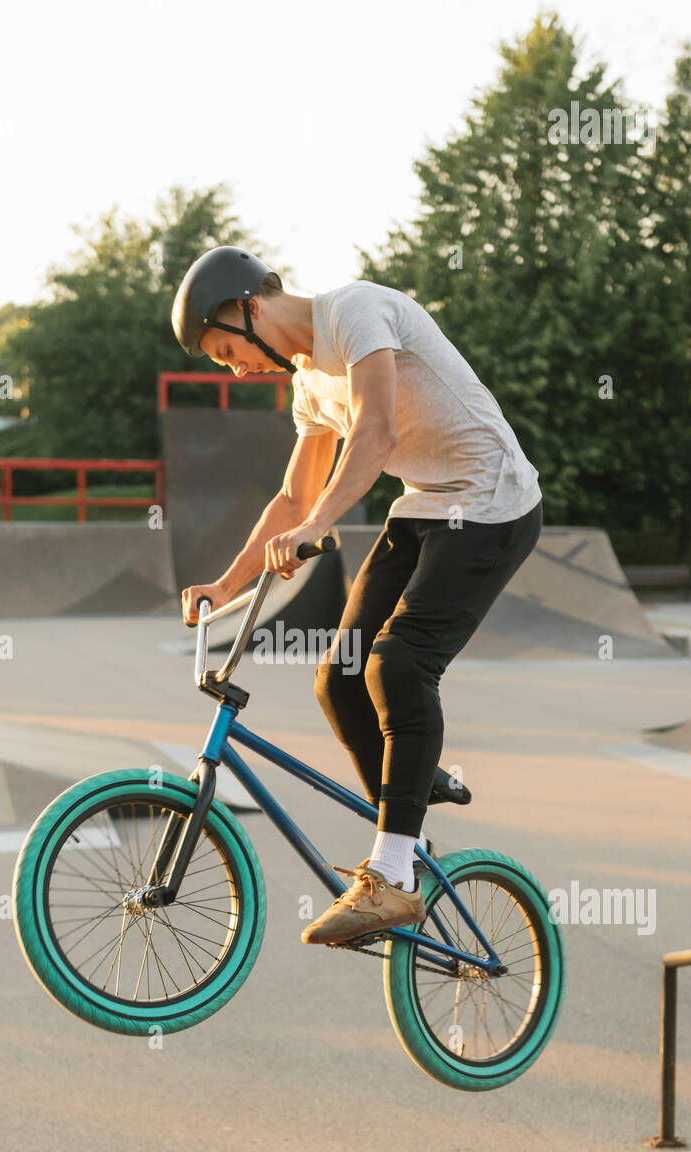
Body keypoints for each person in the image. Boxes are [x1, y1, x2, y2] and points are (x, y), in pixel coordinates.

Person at [172, 246, 542, 947]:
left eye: (226, 352)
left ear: (246, 308)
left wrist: (319, 526)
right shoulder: (307, 386)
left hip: (494, 501)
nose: (235, 369)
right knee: (340, 679)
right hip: (429, 505)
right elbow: (293, 497)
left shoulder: (356, 312)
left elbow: (377, 430)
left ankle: (392, 875)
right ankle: (407, 821)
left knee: (398, 666)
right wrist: (227, 582)